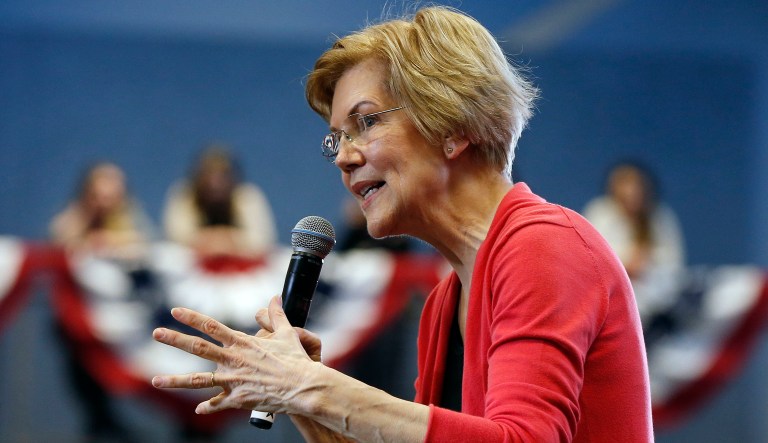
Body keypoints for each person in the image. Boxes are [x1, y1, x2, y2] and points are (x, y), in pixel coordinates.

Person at [151, 6, 653, 442]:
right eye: (336, 139)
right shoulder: (443, 303)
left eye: (365, 123)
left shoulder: (546, 245)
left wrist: (313, 388)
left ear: (452, 127)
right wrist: (304, 398)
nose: (343, 158)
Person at [582, 160, 686, 324]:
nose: (631, 190)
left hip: (658, 309)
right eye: (624, 183)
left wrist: (644, 266)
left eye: (635, 184)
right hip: (610, 306)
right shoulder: (600, 212)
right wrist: (627, 265)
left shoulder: (660, 217)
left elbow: (673, 268)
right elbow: (592, 260)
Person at [162, 144, 277, 259]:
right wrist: (215, 240)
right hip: (193, 269)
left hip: (242, 269)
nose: (216, 183)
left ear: (233, 178)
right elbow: (175, 237)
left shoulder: (247, 196)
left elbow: (263, 239)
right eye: (209, 174)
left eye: (223, 175)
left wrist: (225, 239)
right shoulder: (184, 194)